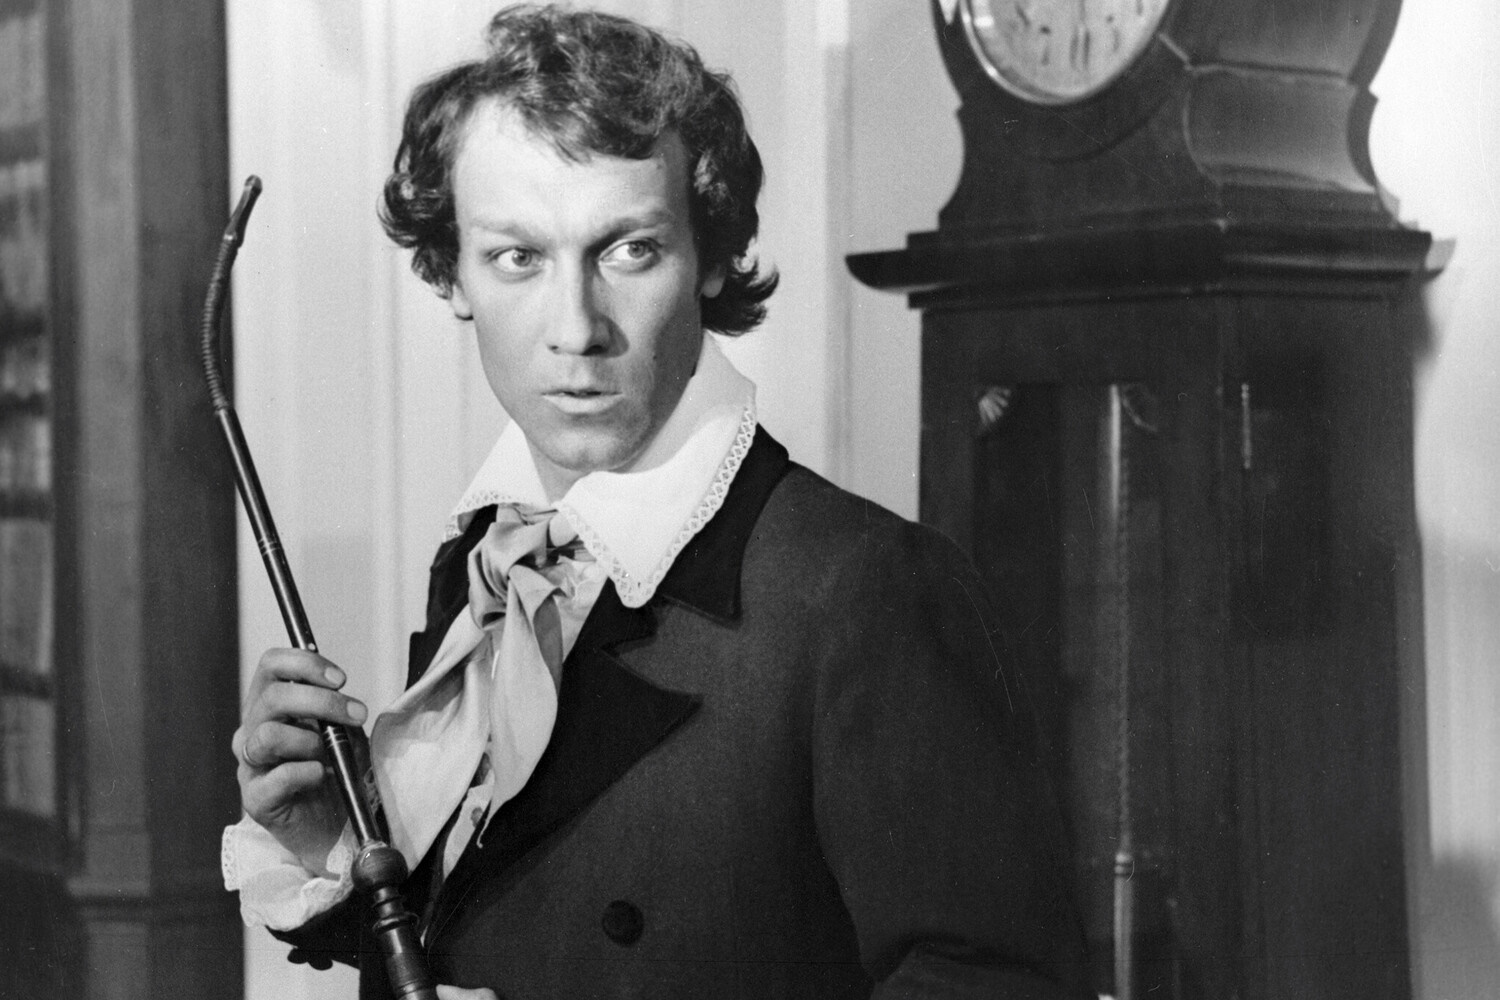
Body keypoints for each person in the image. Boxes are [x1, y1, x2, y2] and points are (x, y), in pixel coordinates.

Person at [221, 6, 1090, 998]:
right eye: (517, 257)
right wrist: (327, 840)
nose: (576, 327)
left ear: (711, 257)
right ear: (452, 274)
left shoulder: (862, 590)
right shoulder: (486, 560)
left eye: (628, 249)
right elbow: (488, 936)